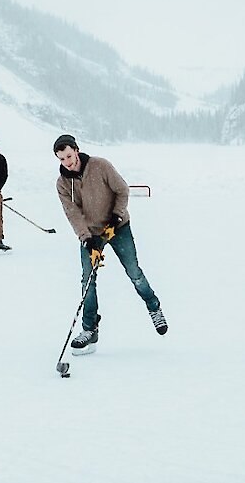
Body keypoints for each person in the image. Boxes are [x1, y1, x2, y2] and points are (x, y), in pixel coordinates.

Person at [54, 133, 165, 353]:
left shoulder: (100, 165)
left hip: (118, 227)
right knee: (88, 281)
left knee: (134, 272)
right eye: (62, 159)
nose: (67, 162)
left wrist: (116, 217)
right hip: (92, 234)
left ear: (76, 150)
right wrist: (86, 240)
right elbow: (73, 213)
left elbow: (122, 190)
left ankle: (154, 307)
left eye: (69, 155)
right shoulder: (63, 183)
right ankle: (89, 330)